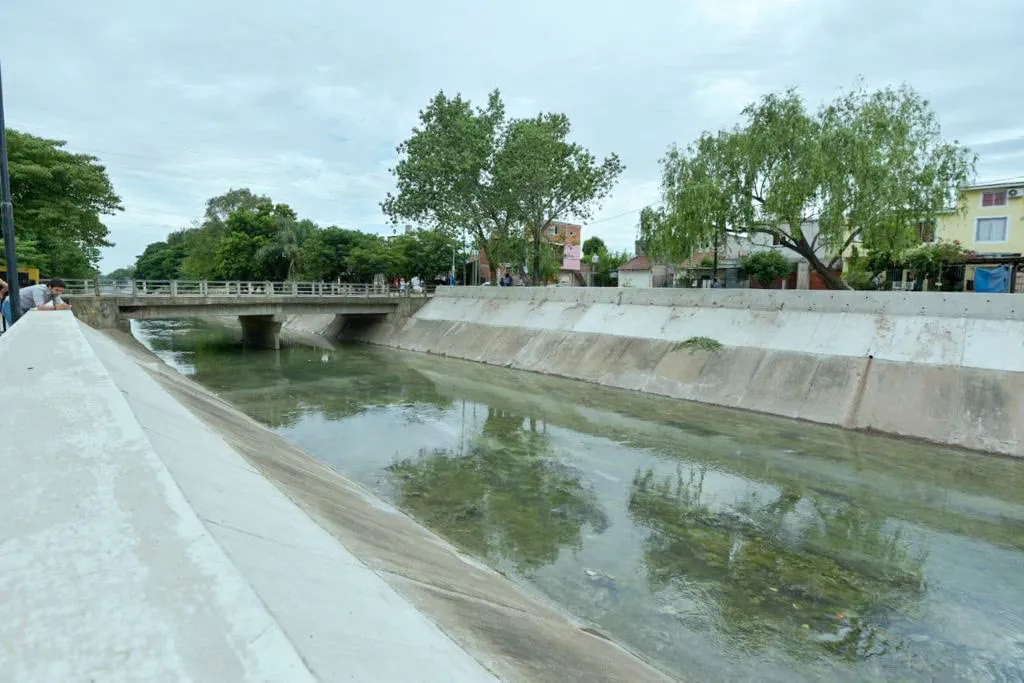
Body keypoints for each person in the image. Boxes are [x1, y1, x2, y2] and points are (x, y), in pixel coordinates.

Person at [2, 278, 70, 327]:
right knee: (16, 327)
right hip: (10, 304)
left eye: (61, 291)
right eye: (57, 290)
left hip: (24, 307)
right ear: (49, 287)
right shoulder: (39, 289)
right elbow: (40, 307)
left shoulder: (55, 294)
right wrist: (57, 307)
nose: (59, 293)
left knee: (24, 327)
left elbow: (58, 306)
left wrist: (65, 306)